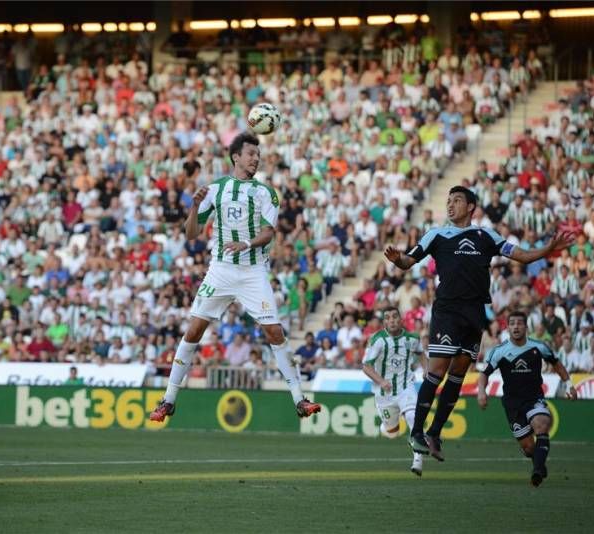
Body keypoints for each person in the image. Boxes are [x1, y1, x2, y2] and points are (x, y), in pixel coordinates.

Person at [384, 185, 574, 461]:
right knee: (436, 369)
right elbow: (408, 260)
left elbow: (520, 254)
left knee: (459, 373)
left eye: (457, 200)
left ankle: (435, 432)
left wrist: (547, 249)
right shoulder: (436, 234)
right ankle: (416, 431)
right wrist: (397, 260)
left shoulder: (485, 235)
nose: (450, 205)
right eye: (448, 201)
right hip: (447, 310)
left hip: (474, 313)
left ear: (471, 206)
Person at [149, 132, 321, 422]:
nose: (256, 159)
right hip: (221, 269)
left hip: (253, 270)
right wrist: (193, 207)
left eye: (258, 154)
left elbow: (269, 232)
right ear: (236, 157)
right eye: (250, 154)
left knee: (274, 332)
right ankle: (168, 400)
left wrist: (248, 244)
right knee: (193, 331)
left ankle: (300, 399)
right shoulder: (215, 190)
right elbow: (191, 234)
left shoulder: (267, 193)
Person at [477, 311, 577, 487]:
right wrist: (481, 392)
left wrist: (569, 385)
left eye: (519, 323)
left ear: (526, 327)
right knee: (529, 448)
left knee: (542, 423)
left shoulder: (539, 347)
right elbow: (484, 374)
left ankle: (537, 471)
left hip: (534, 398)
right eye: (512, 323)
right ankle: (538, 462)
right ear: (507, 328)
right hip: (512, 404)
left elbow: (556, 364)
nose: (516, 326)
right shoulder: (499, 351)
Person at [362, 307, 425, 477]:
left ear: (401, 320)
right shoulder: (377, 340)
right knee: (392, 433)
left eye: (395, 317)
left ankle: (418, 459)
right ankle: (387, 427)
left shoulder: (412, 338)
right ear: (384, 322)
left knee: (412, 416)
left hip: (406, 386)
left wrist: (426, 370)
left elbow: (421, 353)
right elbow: (366, 366)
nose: (392, 320)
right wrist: (381, 381)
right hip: (384, 394)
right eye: (388, 318)